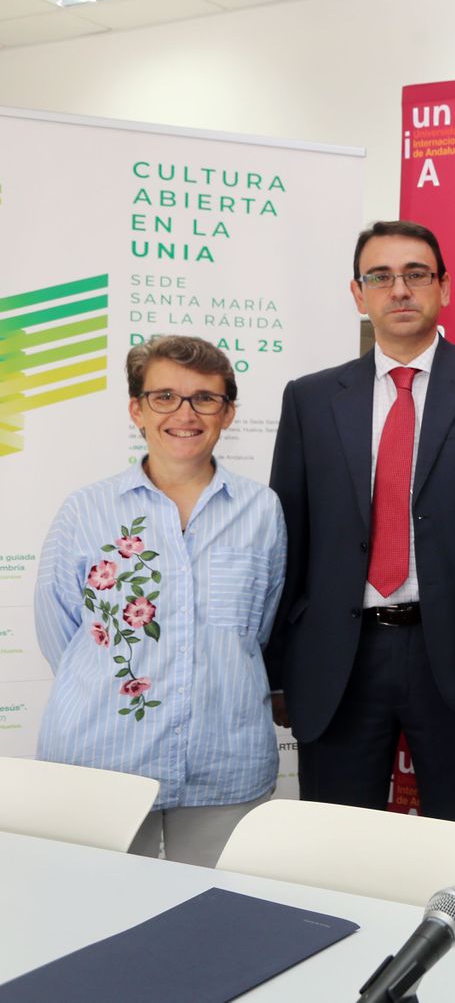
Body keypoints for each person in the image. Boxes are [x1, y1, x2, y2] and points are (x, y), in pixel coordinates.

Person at [267, 220, 455, 843]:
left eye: (416, 274)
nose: (399, 289)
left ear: (445, 287)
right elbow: (288, 540)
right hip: (340, 658)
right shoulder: (309, 399)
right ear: (358, 295)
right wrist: (281, 669)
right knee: (334, 856)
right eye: (379, 277)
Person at [34, 336, 285, 866]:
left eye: (204, 398)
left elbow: (261, 626)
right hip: (102, 761)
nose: (184, 413)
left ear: (228, 413)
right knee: (100, 923)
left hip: (225, 762)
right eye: (164, 396)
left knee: (217, 923)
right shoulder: (86, 511)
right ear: (137, 410)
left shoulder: (262, 510)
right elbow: (59, 631)